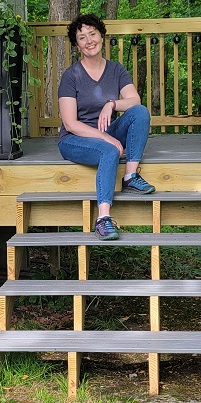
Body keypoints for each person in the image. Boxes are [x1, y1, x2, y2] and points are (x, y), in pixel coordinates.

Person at [58, 13, 155, 240]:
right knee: (109, 150)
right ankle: (103, 219)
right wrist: (106, 138)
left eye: (92, 34)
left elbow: (134, 100)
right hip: (75, 139)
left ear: (101, 36)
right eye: (82, 37)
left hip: (105, 131)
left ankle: (130, 176)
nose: (89, 40)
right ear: (77, 45)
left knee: (139, 112)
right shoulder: (71, 76)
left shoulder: (116, 70)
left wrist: (111, 104)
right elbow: (70, 124)